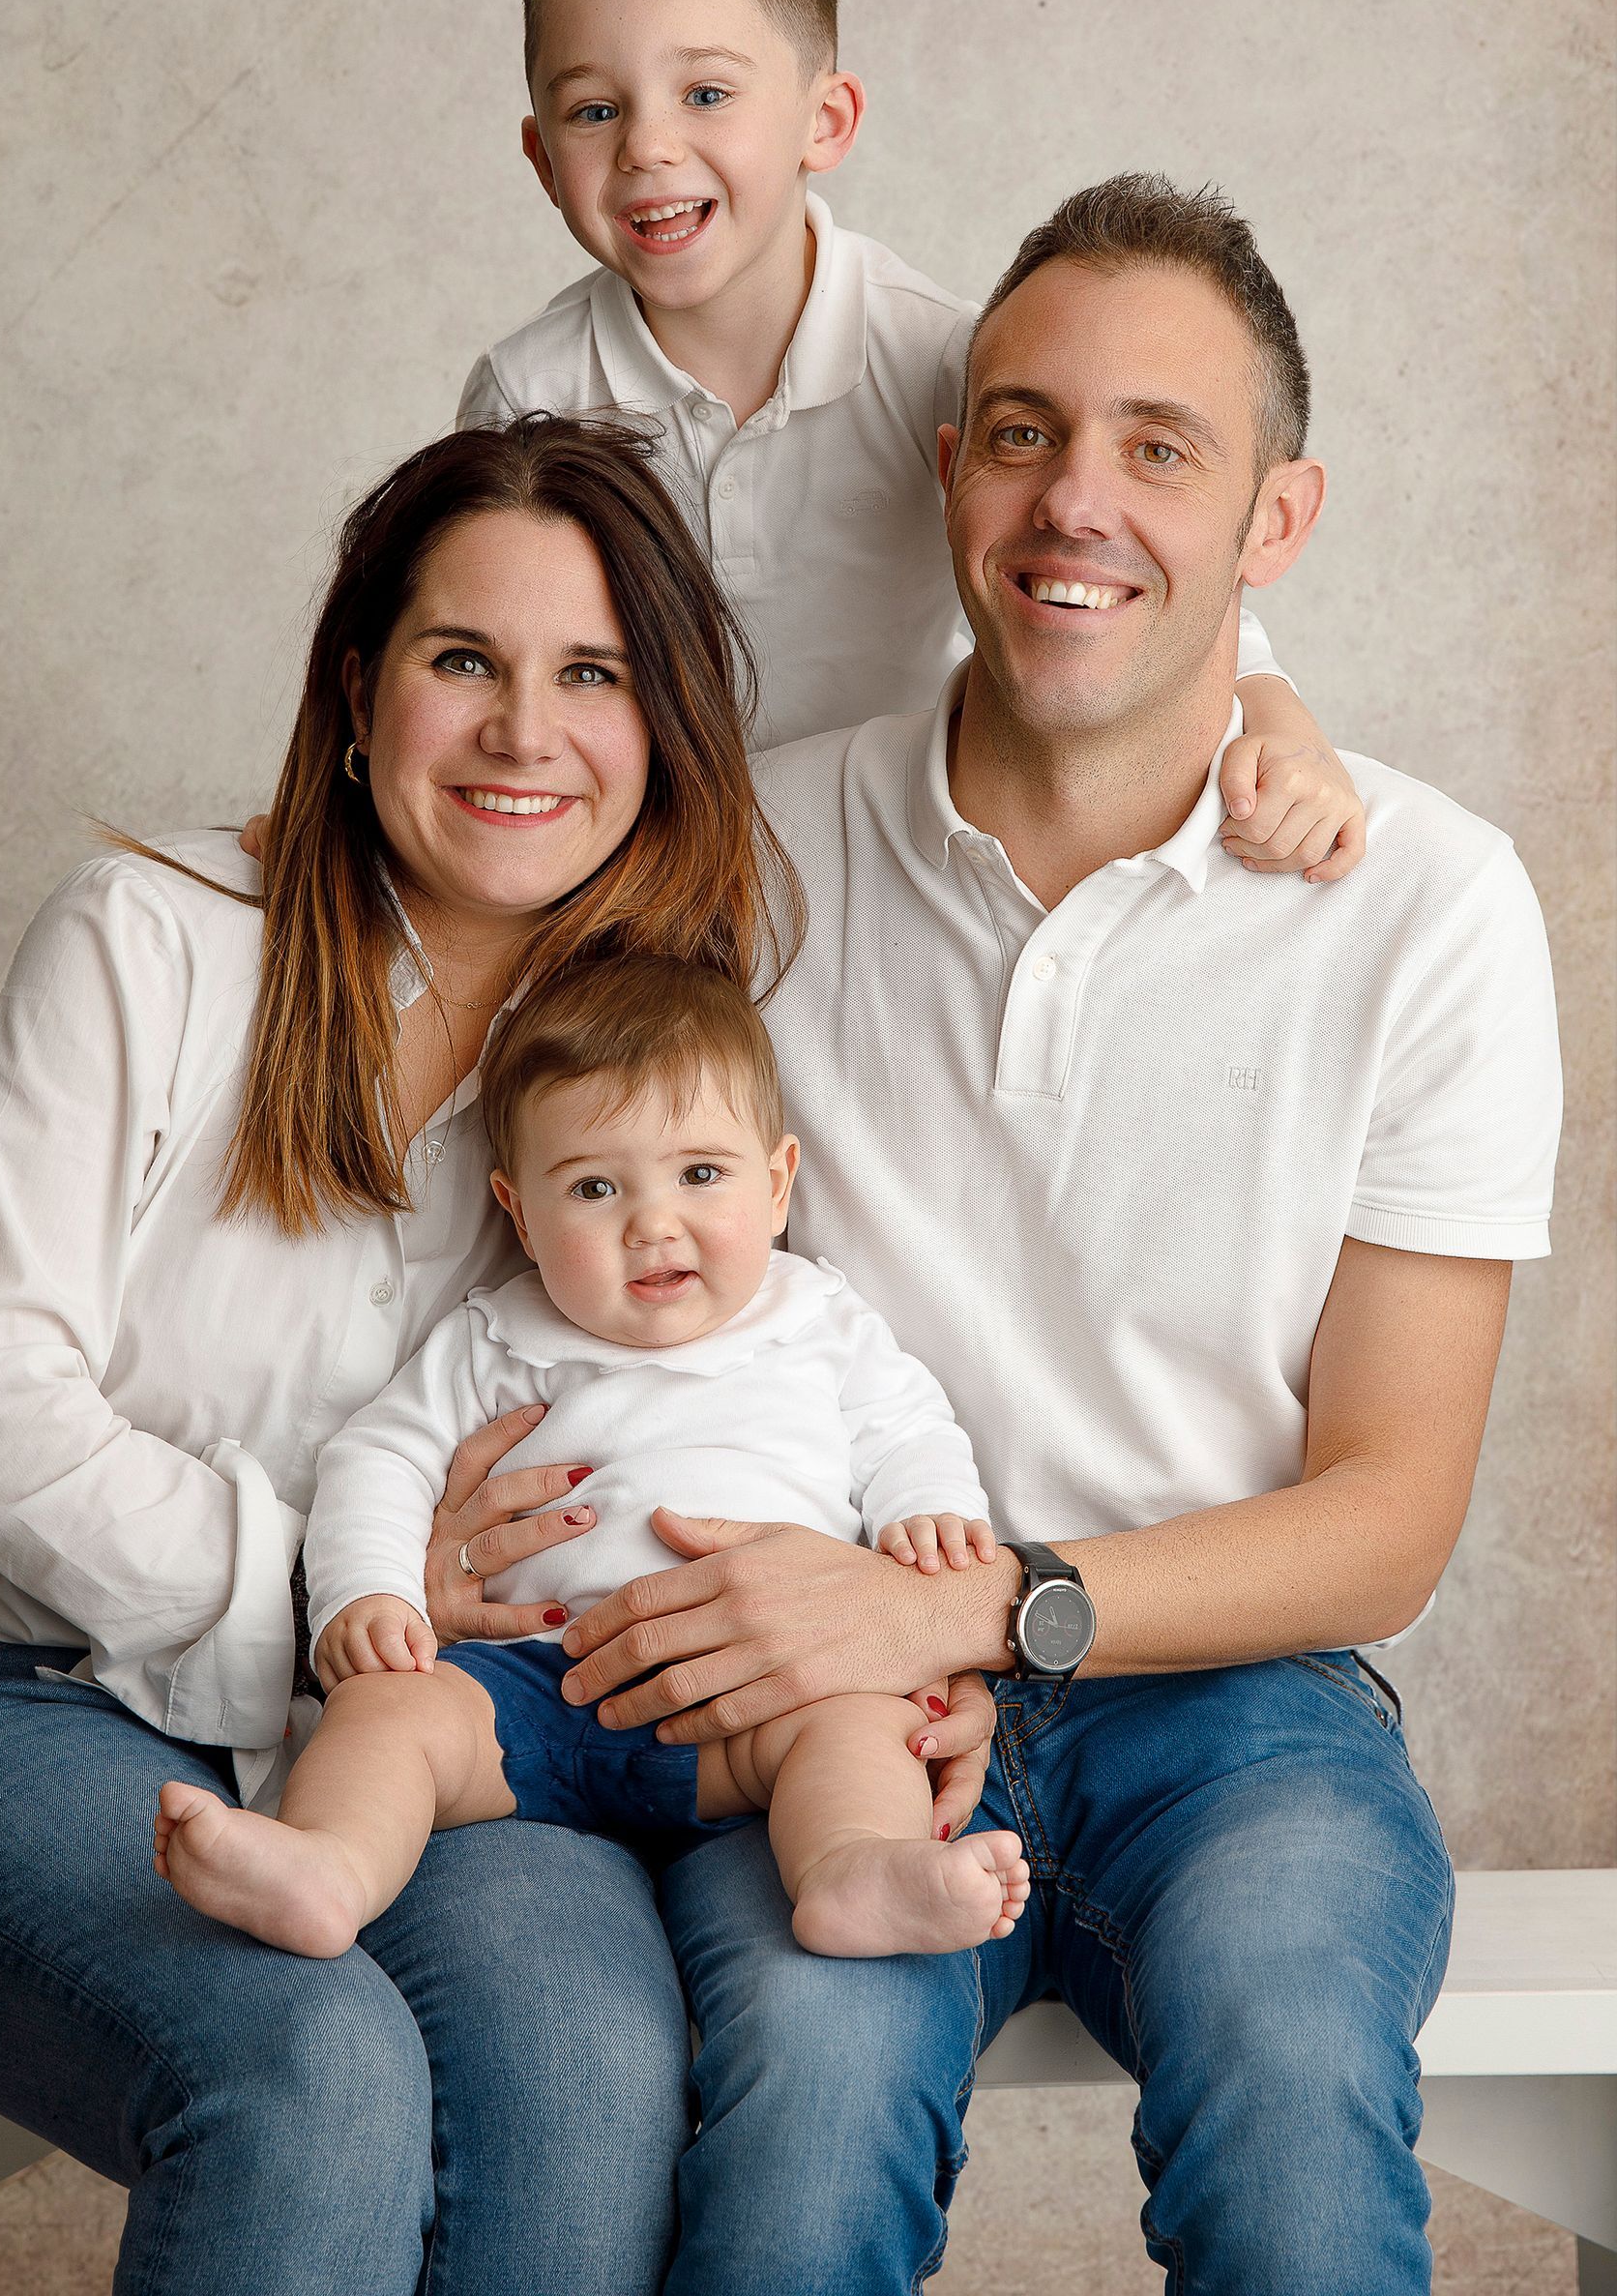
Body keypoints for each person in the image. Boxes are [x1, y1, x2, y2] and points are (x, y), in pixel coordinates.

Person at [546, 176, 1563, 2294]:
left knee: (1292, 2093)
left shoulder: (1430, 902)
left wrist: (977, 1613)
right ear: (949, 472)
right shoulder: (747, 845)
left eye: (1156, 448)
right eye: (1021, 431)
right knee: (798, 2131)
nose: (1072, 498)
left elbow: (1386, 1517)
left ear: (1274, 525)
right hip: (828, 1708)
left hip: (1236, 1700)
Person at [0, 416, 830, 2296]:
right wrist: (321, 1586)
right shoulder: (157, 940)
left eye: (591, 674)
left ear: (662, 725)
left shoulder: (659, 1075)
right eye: (465, 662)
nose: (526, 731)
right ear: (360, 691)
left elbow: (751, 1420)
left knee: (593, 2075)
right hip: (7, 1708)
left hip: (439, 1749)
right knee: (313, 2065)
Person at [459, 0, 1362, 895]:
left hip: (891, 866)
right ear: (540, 158)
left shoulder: (943, 357)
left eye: (705, 92)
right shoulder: (527, 393)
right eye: (594, 112)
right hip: (632, 870)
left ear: (825, 121)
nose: (649, 147)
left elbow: (1131, 550)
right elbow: (449, 628)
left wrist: (1279, 712)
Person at [154, 954, 1030, 1963]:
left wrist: (926, 1511)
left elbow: (910, 1429)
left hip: (763, 1695)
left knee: (864, 1726)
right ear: (519, 1213)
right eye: (595, 1187)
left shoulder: (819, 1318)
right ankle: (327, 1866)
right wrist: (368, 1593)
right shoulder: (496, 1335)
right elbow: (378, 1457)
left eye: (701, 1174)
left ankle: (854, 1869)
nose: (652, 1223)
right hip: (533, 1691)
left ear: (779, 1182)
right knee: (388, 1709)